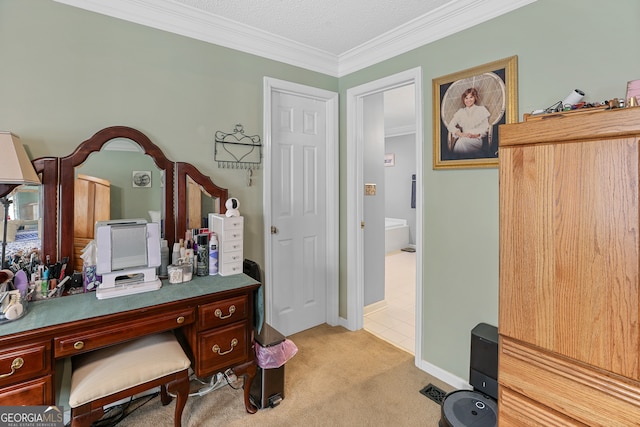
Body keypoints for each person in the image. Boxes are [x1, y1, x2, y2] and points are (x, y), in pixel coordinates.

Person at [446, 88, 490, 156]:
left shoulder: (481, 110)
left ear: (475, 98)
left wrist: (475, 135)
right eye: (466, 98)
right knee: (461, 141)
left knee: (461, 142)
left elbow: (485, 128)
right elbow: (450, 126)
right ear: (463, 100)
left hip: (476, 139)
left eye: (471, 97)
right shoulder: (460, 112)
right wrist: (460, 134)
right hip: (463, 137)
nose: (468, 100)